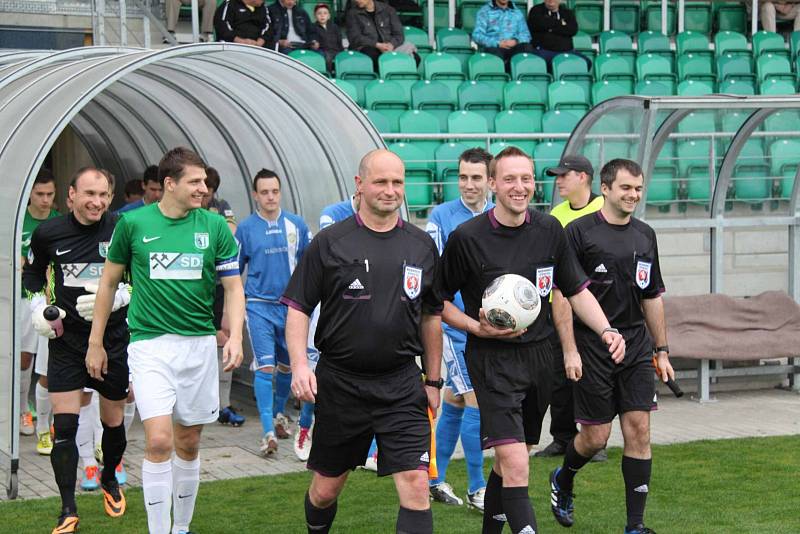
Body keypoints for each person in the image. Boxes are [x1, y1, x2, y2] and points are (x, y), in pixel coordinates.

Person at [436, 146, 625, 534]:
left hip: (540, 358)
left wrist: (606, 329)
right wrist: (475, 327)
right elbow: (434, 300)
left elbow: (576, 289)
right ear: (492, 184)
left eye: (526, 179)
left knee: (511, 460)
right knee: (518, 465)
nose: (519, 187)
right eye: (509, 179)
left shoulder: (548, 230)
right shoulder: (467, 238)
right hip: (492, 360)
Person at [282, 149, 443, 534]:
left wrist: (434, 381)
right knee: (325, 490)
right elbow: (298, 307)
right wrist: (301, 365)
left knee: (417, 484)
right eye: (381, 182)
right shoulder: (329, 242)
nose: (390, 191)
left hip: (402, 384)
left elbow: (431, 316)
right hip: (341, 384)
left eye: (398, 183)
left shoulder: (421, 246)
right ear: (360, 185)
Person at [86, 147, 246, 534]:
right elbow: (108, 282)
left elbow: (233, 286)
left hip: (198, 347)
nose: (203, 189)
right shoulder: (133, 224)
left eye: (205, 182)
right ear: (169, 184)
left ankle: (181, 528)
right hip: (149, 346)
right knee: (159, 441)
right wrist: (96, 342)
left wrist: (235, 336)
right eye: (194, 182)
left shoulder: (214, 227)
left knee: (188, 442)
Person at [549, 159, 674, 534]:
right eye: (626, 188)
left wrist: (662, 349)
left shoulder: (645, 235)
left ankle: (635, 525)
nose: (633, 195)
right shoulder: (577, 233)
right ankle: (564, 479)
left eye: (638, 189)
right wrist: (569, 349)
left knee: (639, 430)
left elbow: (651, 295)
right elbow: (562, 295)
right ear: (605, 188)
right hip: (592, 346)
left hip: (635, 345)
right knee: (595, 437)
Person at [23, 167, 131, 534]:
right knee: (64, 426)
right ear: (71, 195)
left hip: (113, 340)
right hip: (66, 342)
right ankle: (67, 507)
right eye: (89, 194)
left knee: (113, 422)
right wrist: (37, 307)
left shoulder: (122, 229)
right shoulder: (48, 233)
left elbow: (140, 277)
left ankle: (110, 477)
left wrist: (120, 297)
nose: (97, 202)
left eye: (103, 195)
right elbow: (32, 276)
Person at [425, 148, 493, 511]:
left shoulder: (499, 215)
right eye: (463, 177)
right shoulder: (441, 216)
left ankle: (433, 479)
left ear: (489, 180)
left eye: (476, 177)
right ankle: (477, 487)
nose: (468, 184)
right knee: (476, 403)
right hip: (452, 329)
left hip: (488, 329)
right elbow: (435, 274)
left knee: (453, 403)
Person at [535, 155, 607, 462]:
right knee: (558, 378)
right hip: (557, 307)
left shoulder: (604, 209)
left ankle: (595, 440)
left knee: (591, 377)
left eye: (564, 175)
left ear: (583, 177)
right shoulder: (557, 213)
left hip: (591, 308)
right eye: (557, 175)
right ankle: (562, 437)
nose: (558, 180)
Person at [236, 169, 312, 455]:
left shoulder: (296, 225)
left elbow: (308, 267)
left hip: (291, 308)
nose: (270, 196)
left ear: (280, 192)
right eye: (264, 192)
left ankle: (279, 414)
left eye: (274, 191)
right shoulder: (245, 228)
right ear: (256, 195)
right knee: (265, 366)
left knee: (288, 367)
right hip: (258, 307)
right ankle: (268, 431)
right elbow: (233, 271)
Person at [293, 193, 359, 463]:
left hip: (356, 311)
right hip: (325, 310)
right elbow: (337, 253)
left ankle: (363, 443)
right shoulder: (332, 212)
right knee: (313, 377)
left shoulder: (385, 217)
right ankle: (305, 427)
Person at [201, 167, 246, 428]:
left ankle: (223, 404)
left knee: (224, 339)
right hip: (196, 286)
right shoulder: (188, 210)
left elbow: (230, 231)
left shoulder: (221, 206)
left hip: (219, 284)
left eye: (209, 192)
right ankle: (204, 404)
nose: (204, 195)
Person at [20, 169, 60, 446]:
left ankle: (52, 421)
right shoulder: (17, 220)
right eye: (40, 194)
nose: (45, 200)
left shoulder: (61, 223)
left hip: (53, 303)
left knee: (52, 362)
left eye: (50, 194)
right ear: (30, 194)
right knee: (24, 359)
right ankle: (24, 410)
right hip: (24, 299)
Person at [346, 0, 418, 70]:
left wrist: (391, 45)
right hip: (369, 46)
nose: (356, 0)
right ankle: (387, 77)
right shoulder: (352, 14)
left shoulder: (388, 10)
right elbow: (355, 38)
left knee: (416, 58)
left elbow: (399, 34)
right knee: (371, 55)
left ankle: (400, 77)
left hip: (389, 46)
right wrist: (377, 45)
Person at [526, 0, 590, 70]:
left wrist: (550, 28)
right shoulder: (536, 10)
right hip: (544, 51)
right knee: (542, 63)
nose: (551, 0)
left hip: (567, 51)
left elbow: (572, 30)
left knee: (586, 62)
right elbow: (539, 24)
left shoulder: (567, 13)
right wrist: (561, 24)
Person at [472, 0, 533, 64]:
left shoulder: (517, 12)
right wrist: (498, 43)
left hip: (513, 48)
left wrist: (516, 41)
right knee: (495, 54)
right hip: (495, 48)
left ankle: (511, 67)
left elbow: (526, 35)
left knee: (527, 48)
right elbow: (477, 35)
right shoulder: (484, 11)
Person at [312, 3, 344, 74]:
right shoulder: (313, 27)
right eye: (319, 13)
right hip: (323, 51)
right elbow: (313, 40)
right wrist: (314, 43)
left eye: (325, 13)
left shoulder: (334, 27)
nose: (322, 15)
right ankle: (328, 75)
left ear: (329, 16)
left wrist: (342, 52)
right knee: (327, 57)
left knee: (344, 57)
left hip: (336, 51)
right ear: (315, 16)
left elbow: (339, 42)